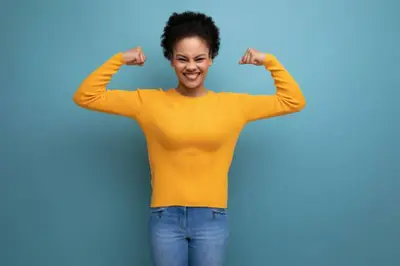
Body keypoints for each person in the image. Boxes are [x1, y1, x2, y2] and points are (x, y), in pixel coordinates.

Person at [73, 10, 306, 266]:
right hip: (164, 219)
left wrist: (269, 61)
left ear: (210, 60)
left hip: (212, 219)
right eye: (182, 59)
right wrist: (119, 59)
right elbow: (86, 96)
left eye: (200, 58)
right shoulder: (149, 102)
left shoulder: (234, 105)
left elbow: (292, 101)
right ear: (171, 60)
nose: (191, 67)